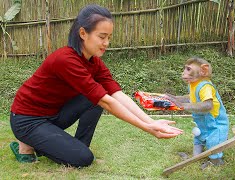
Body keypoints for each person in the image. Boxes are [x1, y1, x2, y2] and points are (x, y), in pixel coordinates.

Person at [9, 4, 183, 167]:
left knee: (92, 101)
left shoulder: (94, 62)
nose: (106, 43)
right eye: (102, 37)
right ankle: (29, 142)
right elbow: (107, 102)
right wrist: (147, 128)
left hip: (53, 115)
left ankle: (70, 145)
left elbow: (116, 94)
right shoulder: (65, 59)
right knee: (83, 159)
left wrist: (151, 121)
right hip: (27, 119)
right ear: (83, 33)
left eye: (109, 37)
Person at [165, 57, 229, 169]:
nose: (184, 72)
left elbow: (208, 105)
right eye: (185, 69)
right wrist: (175, 98)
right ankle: (195, 157)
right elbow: (192, 97)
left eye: (188, 69)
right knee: (199, 138)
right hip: (202, 122)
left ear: (203, 71)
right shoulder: (193, 84)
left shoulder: (205, 86)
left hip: (215, 123)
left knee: (213, 142)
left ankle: (216, 162)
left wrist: (184, 106)